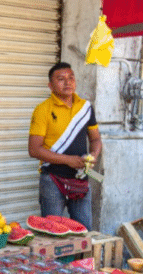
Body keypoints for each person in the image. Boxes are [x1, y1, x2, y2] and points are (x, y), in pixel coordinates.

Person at [29, 62, 102, 230]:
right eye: (61, 79)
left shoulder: (85, 108)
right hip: (53, 180)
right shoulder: (42, 110)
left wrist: (93, 156)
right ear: (50, 85)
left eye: (71, 78)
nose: (67, 83)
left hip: (80, 178)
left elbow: (96, 139)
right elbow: (34, 149)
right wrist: (68, 160)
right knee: (52, 232)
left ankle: (82, 258)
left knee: (84, 231)